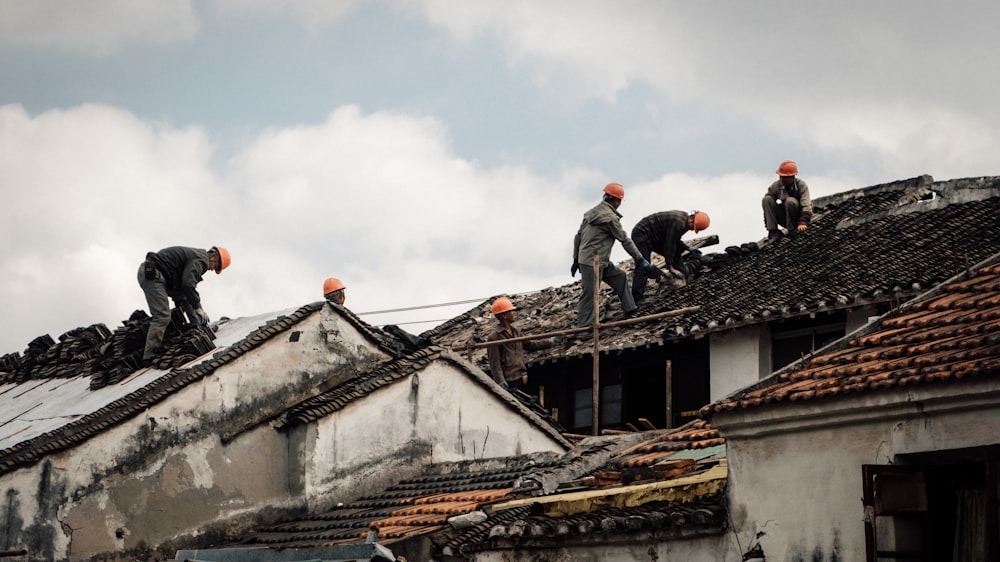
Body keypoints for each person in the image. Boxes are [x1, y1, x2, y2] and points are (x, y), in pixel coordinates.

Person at [571, 182, 652, 327]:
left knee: (620, 277)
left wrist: (576, 258)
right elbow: (625, 240)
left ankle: (630, 309)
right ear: (616, 201)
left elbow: (578, 236)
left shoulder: (590, 213)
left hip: (598, 260)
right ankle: (583, 327)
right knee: (590, 294)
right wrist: (639, 258)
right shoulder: (610, 219)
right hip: (591, 262)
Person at [138, 245, 231, 366]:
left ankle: (197, 325)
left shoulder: (195, 257)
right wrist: (198, 307)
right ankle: (150, 355)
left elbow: (184, 294)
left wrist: (197, 322)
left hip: (158, 274)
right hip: (153, 274)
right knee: (162, 316)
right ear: (213, 256)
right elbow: (188, 284)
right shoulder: (202, 259)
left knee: (184, 300)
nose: (212, 269)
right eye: (216, 266)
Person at [630, 210, 710, 302]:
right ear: (692, 219)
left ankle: (683, 273)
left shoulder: (683, 221)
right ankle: (636, 299)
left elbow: (675, 240)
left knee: (676, 253)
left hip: (656, 237)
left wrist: (689, 249)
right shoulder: (679, 223)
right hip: (642, 233)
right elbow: (670, 243)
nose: (692, 230)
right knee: (643, 265)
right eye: (693, 227)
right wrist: (670, 267)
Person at [486, 296, 550, 391]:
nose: (513, 314)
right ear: (504, 316)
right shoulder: (494, 337)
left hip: (522, 378)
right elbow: (495, 364)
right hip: (509, 382)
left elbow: (530, 345)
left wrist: (550, 342)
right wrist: (501, 382)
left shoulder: (516, 332)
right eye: (511, 312)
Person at [763, 160, 812, 242]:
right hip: (784, 217)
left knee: (790, 201)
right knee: (766, 199)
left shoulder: (801, 185)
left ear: (792, 177)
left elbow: (806, 205)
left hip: (797, 218)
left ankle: (791, 229)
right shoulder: (776, 186)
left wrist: (803, 222)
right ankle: (773, 231)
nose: (782, 179)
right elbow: (768, 205)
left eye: (785, 177)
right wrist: (768, 221)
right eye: (781, 177)